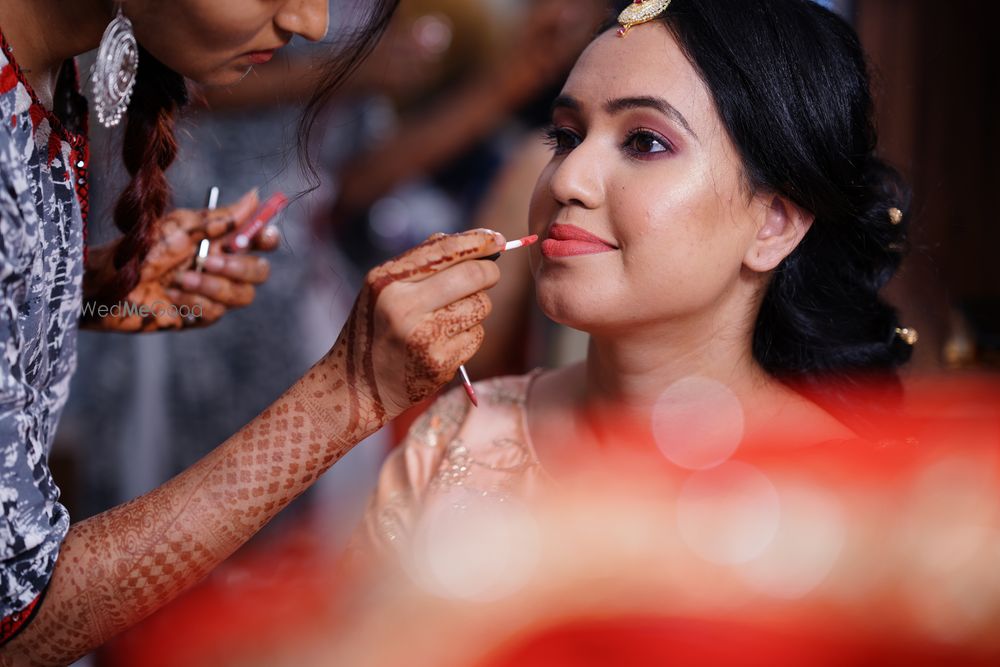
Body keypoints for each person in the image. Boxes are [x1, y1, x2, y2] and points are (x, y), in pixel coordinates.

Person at [0, 1, 511, 664]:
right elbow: (20, 623)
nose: (311, 23)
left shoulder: (45, 72)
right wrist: (346, 392)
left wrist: (79, 288)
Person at [354, 0, 916, 556]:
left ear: (774, 225)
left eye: (645, 142)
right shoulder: (462, 430)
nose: (567, 180)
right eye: (566, 137)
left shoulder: (852, 502)